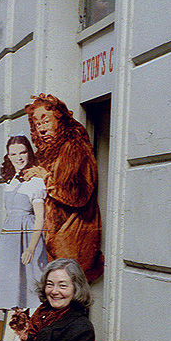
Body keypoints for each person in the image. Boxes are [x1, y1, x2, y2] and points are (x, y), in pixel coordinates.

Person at [24, 94, 104, 283]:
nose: (41, 129)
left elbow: (79, 195)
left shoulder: (74, 148)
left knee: (68, 296)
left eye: (46, 121)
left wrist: (46, 178)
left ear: (60, 121)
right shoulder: (47, 152)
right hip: (50, 243)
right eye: (37, 123)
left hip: (71, 242)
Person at [0, 135, 48, 310]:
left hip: (28, 238)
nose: (18, 158)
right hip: (11, 241)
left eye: (23, 152)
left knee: (31, 285)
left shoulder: (35, 181)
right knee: (11, 288)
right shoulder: (10, 182)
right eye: (13, 154)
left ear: (29, 153)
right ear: (8, 156)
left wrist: (31, 248)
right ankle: (13, 332)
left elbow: (40, 218)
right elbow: (9, 217)